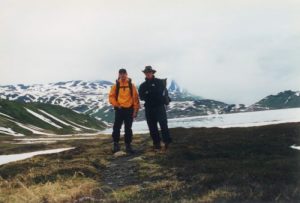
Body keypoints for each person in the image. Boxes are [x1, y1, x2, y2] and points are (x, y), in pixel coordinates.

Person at [138, 66, 172, 150]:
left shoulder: (160, 82)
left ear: (152, 73)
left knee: (163, 125)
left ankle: (167, 142)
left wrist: (148, 93)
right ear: (145, 74)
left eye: (149, 72)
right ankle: (156, 144)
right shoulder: (142, 85)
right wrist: (151, 94)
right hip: (149, 108)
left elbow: (161, 93)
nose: (148, 73)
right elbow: (141, 97)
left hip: (159, 107)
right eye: (146, 72)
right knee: (152, 127)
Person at [109, 68, 140, 153]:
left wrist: (135, 111)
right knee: (116, 127)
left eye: (124, 73)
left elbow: (135, 99)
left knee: (128, 128)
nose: (122, 75)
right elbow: (111, 97)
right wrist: (116, 105)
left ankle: (128, 145)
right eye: (121, 73)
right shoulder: (116, 86)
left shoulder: (131, 85)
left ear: (127, 74)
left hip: (129, 110)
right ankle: (116, 144)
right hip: (119, 109)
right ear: (119, 75)